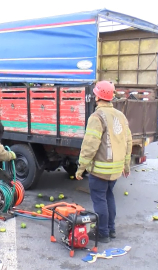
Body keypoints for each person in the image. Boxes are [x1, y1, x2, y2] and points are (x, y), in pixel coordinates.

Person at [75, 81, 132, 243]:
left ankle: (103, 233)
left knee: (100, 199)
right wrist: (126, 165)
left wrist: (81, 168)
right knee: (108, 197)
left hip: (100, 169)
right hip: (115, 170)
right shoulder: (121, 116)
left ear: (98, 96)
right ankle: (111, 229)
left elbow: (89, 146)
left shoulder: (97, 117)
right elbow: (128, 142)